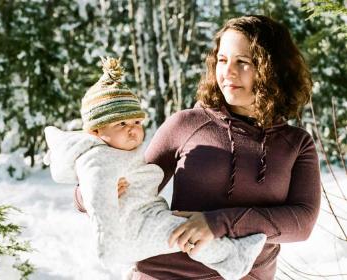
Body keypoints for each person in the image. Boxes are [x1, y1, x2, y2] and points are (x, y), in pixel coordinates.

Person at [131, 15, 321, 279]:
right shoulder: (187, 124)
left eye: (243, 62)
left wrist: (217, 223)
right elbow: (130, 190)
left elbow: (302, 222)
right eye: (222, 59)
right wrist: (96, 183)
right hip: (167, 272)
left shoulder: (296, 144)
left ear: (273, 69)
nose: (228, 71)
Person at [44, 57, 266, 280]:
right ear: (95, 132)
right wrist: (106, 241)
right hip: (132, 229)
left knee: (186, 232)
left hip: (143, 221)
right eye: (121, 124)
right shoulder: (98, 158)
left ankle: (231, 258)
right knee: (186, 234)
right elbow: (99, 202)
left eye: (137, 123)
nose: (133, 130)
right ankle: (233, 257)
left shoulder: (116, 151)